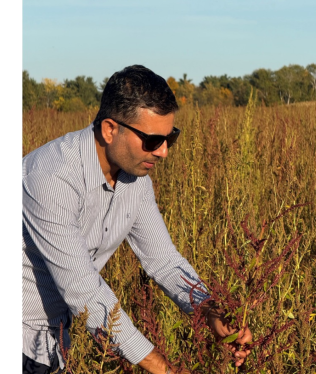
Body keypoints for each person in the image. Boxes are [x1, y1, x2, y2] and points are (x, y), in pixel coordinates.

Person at [22, 65, 251, 374]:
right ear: (109, 130)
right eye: (152, 140)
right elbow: (82, 288)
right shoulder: (51, 176)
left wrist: (211, 312)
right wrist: (162, 368)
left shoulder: (135, 177)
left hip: (55, 344)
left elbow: (165, 261)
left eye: (171, 138)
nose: (164, 152)